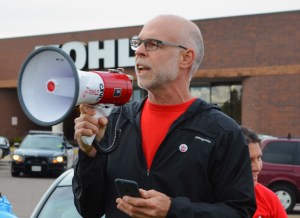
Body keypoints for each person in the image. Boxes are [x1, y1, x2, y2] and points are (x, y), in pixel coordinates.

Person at [72, 14, 256, 217]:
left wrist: (173, 210)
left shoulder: (222, 131)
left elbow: (240, 212)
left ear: (186, 58)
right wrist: (89, 155)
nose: (139, 51)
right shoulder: (115, 122)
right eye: (138, 43)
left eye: (152, 44)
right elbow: (89, 209)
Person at [241, 126, 288, 218]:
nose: (257, 167)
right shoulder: (210, 198)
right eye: (249, 160)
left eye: (259, 158)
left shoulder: (268, 198)